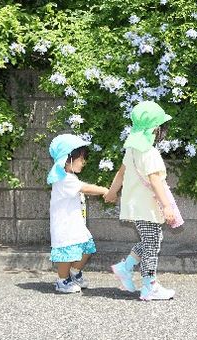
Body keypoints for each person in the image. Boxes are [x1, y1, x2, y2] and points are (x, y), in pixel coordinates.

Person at [104, 101, 176, 301]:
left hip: (136, 207)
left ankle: (125, 267)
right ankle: (149, 285)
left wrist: (112, 193)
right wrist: (167, 206)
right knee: (152, 245)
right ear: (155, 129)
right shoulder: (150, 153)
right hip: (148, 208)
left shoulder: (132, 150)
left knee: (152, 240)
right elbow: (155, 181)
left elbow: (121, 173)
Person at [47, 134, 109, 293]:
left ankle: (74, 272)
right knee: (66, 253)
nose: (84, 162)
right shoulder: (63, 178)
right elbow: (85, 188)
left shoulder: (69, 176)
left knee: (87, 248)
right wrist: (104, 190)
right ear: (68, 159)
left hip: (74, 223)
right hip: (65, 225)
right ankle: (62, 280)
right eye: (81, 159)